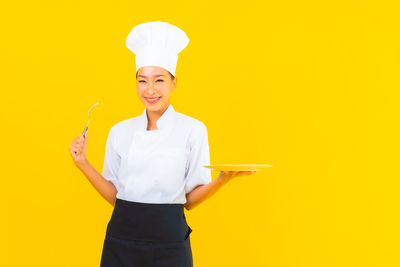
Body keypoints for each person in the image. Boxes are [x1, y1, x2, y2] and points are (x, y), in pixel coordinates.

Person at [69, 21, 254, 267]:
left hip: (170, 243)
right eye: (142, 81)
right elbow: (116, 196)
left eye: (159, 80)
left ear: (173, 83)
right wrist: (82, 163)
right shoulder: (119, 132)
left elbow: (189, 201)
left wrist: (223, 179)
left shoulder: (193, 130)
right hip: (121, 241)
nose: (150, 90)